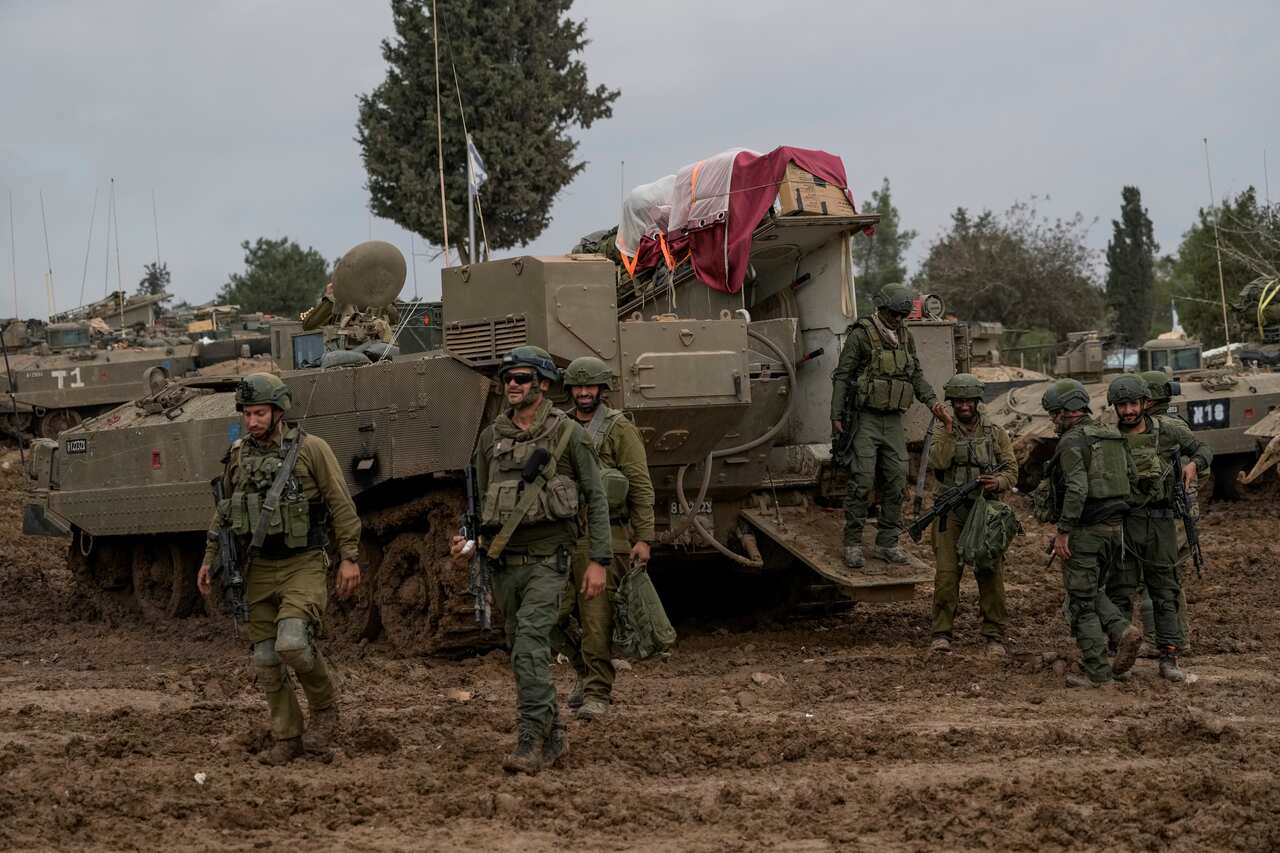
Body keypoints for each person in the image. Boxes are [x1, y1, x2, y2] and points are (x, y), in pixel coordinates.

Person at [450, 346, 611, 774]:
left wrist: (599, 560)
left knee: (529, 647)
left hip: (549, 559)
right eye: (508, 379)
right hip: (506, 564)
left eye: (522, 378)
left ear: (542, 383)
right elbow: (484, 503)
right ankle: (554, 731)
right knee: (520, 648)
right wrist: (469, 542)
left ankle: (529, 739)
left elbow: (596, 498)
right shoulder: (491, 437)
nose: (513, 385)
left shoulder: (567, 434)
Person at [197, 373, 362, 765]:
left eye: (259, 413)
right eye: (247, 413)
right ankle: (288, 735)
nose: (252, 421)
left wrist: (350, 557)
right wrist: (208, 559)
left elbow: (341, 503)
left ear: (278, 412)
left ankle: (325, 709)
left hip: (302, 563)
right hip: (257, 568)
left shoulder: (310, 450)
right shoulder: (237, 455)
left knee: (293, 644)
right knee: (266, 659)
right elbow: (224, 512)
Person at [554, 355, 655, 721]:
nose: (583, 392)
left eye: (590, 386)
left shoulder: (618, 429)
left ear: (602, 389)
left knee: (596, 619)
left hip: (605, 533)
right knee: (551, 614)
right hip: (563, 533)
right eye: (578, 387)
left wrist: (643, 537)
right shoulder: (560, 427)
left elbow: (640, 485)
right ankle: (583, 671)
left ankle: (598, 690)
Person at [831, 282, 950, 568]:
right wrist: (835, 415)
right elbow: (843, 376)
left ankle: (887, 543)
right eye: (893, 314)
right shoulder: (861, 336)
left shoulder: (905, 338)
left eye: (902, 315)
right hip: (866, 419)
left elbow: (916, 375)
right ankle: (853, 543)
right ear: (882, 309)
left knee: (897, 481)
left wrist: (934, 403)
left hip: (893, 419)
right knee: (861, 480)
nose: (897, 320)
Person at [1103, 375, 1210, 682]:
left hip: (1161, 522)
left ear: (1145, 404)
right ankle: (1120, 655)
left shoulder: (1168, 430)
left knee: (1165, 591)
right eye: (1121, 405)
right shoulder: (1107, 436)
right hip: (1124, 523)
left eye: (1133, 404)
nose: (1127, 411)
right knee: (1120, 591)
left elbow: (1203, 448)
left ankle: (1169, 656)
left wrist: (1194, 464)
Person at [1038, 379, 1143, 688]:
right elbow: (1133, 479)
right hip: (1115, 530)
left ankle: (1100, 670)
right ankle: (1120, 631)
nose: (1052, 421)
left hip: (1085, 530)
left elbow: (1077, 487)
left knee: (1081, 601)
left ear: (1065, 412)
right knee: (1093, 591)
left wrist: (1064, 531)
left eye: (1053, 414)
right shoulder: (1112, 434)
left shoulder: (1072, 442)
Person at [927, 373, 1019, 657]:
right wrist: (950, 427)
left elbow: (1012, 469)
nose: (964, 405)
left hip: (985, 512)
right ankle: (941, 633)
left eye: (968, 400)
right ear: (952, 402)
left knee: (989, 573)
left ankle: (994, 635)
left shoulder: (995, 432)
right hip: (952, 511)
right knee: (945, 576)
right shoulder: (943, 430)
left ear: (976, 401)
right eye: (958, 401)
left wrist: (999, 483)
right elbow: (938, 462)